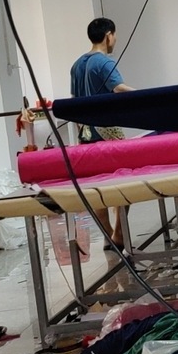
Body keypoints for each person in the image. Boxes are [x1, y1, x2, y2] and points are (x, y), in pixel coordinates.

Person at [68, 17, 133, 247]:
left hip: (86, 136)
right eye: (114, 35)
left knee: (97, 188)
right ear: (108, 35)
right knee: (126, 183)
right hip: (108, 133)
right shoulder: (104, 62)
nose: (115, 40)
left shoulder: (77, 65)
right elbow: (118, 88)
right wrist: (147, 96)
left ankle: (108, 236)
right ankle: (119, 235)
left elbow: (74, 102)